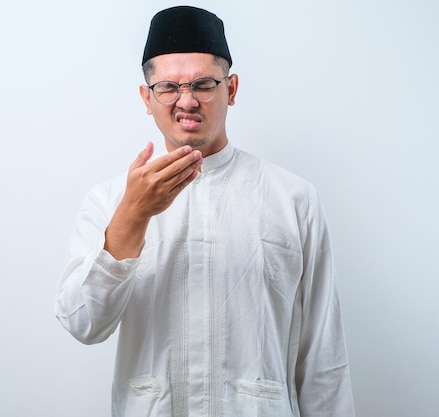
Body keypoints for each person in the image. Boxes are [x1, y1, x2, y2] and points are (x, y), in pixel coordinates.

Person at [55, 6, 355, 417]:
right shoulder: (109, 201)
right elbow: (82, 323)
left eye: (203, 84)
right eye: (168, 87)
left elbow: (323, 358)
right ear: (147, 97)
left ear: (231, 89)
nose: (186, 101)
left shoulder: (293, 198)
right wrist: (133, 214)